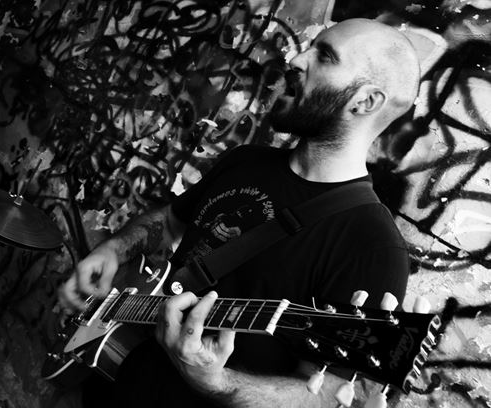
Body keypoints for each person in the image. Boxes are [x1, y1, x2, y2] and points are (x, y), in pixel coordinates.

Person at [58, 18, 420, 407]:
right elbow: (171, 222)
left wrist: (216, 381)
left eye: (325, 57)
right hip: (125, 380)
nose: (297, 60)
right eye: (310, 47)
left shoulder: (372, 244)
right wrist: (114, 250)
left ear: (365, 102)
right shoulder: (246, 160)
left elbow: (327, 395)